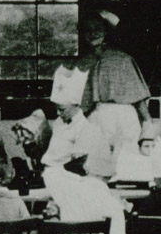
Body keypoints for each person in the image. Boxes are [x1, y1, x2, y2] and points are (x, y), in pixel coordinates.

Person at [79, 11, 152, 158]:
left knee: (127, 161)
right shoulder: (82, 63)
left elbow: (137, 97)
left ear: (106, 31)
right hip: (96, 117)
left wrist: (148, 123)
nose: (93, 34)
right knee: (96, 161)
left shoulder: (122, 59)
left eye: (98, 29)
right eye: (88, 30)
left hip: (124, 117)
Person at [41, 66, 105, 170]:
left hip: (62, 174)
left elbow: (78, 163)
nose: (58, 113)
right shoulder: (59, 122)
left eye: (62, 109)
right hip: (47, 169)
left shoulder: (85, 128)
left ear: (76, 106)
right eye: (57, 109)